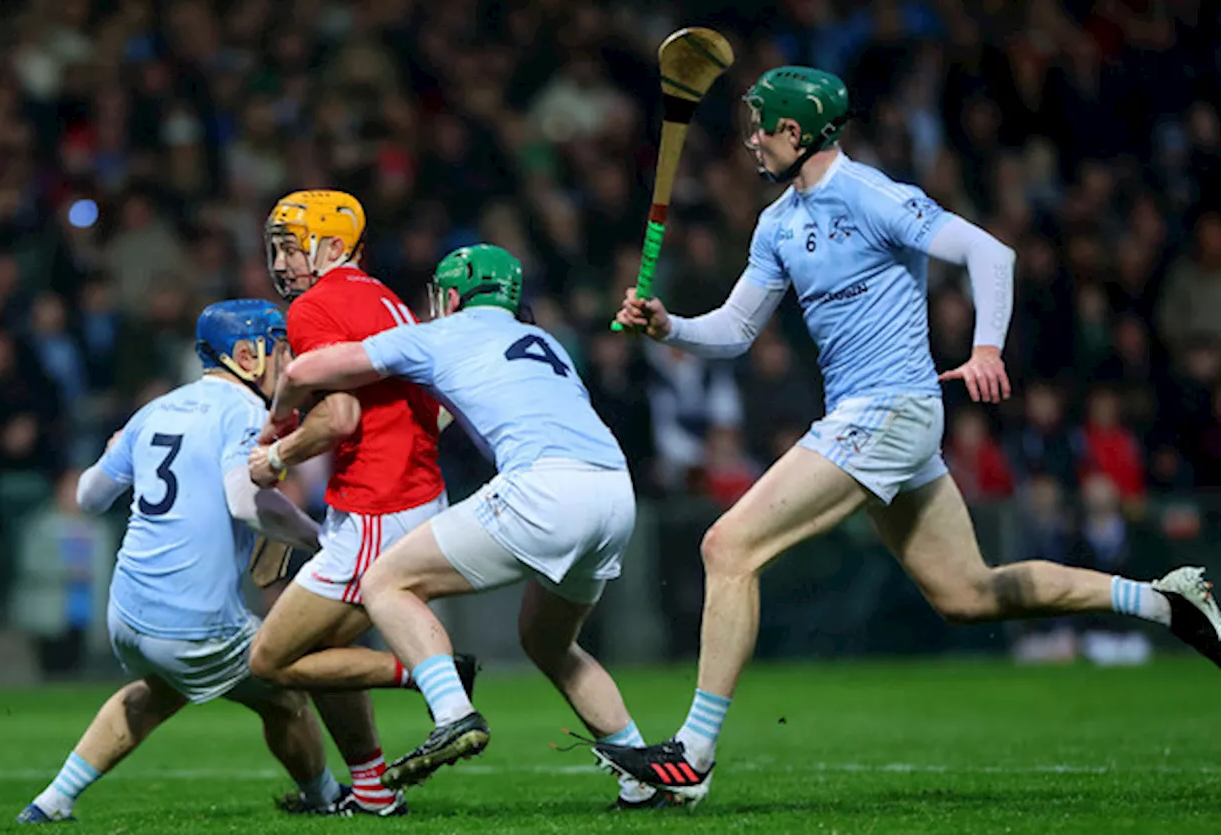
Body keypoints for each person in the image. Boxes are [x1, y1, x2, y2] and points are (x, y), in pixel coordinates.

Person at [595, 66, 1221, 805]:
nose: (752, 139)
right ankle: (1161, 601)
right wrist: (669, 326)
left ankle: (692, 755)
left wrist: (987, 347)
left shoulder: (874, 195)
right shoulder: (777, 223)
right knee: (968, 593)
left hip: (889, 410)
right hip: (876, 420)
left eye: (762, 125)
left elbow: (994, 255)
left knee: (726, 546)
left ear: (797, 133)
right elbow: (734, 331)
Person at [259, 244, 670, 808]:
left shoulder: (437, 334)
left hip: (544, 489)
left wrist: (279, 419)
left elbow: (309, 369)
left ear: (450, 296)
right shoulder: (547, 340)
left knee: (385, 582)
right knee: (550, 641)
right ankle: (642, 775)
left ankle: (452, 712)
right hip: (615, 492)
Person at [17, 301, 377, 823]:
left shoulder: (156, 409)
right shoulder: (247, 414)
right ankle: (326, 798)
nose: (290, 359)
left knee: (158, 692)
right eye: (280, 347)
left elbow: (89, 496)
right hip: (191, 618)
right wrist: (318, 537)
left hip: (127, 612)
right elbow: (243, 501)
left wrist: (114, 451)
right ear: (247, 355)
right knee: (285, 691)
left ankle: (51, 801)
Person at [244, 190, 474, 815]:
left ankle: (436, 675)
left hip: (378, 502)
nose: (282, 261)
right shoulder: (384, 296)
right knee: (318, 652)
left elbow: (340, 416)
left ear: (333, 246)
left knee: (271, 658)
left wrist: (277, 456)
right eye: (278, 248)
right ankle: (372, 792)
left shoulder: (318, 306)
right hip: (410, 488)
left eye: (292, 247)